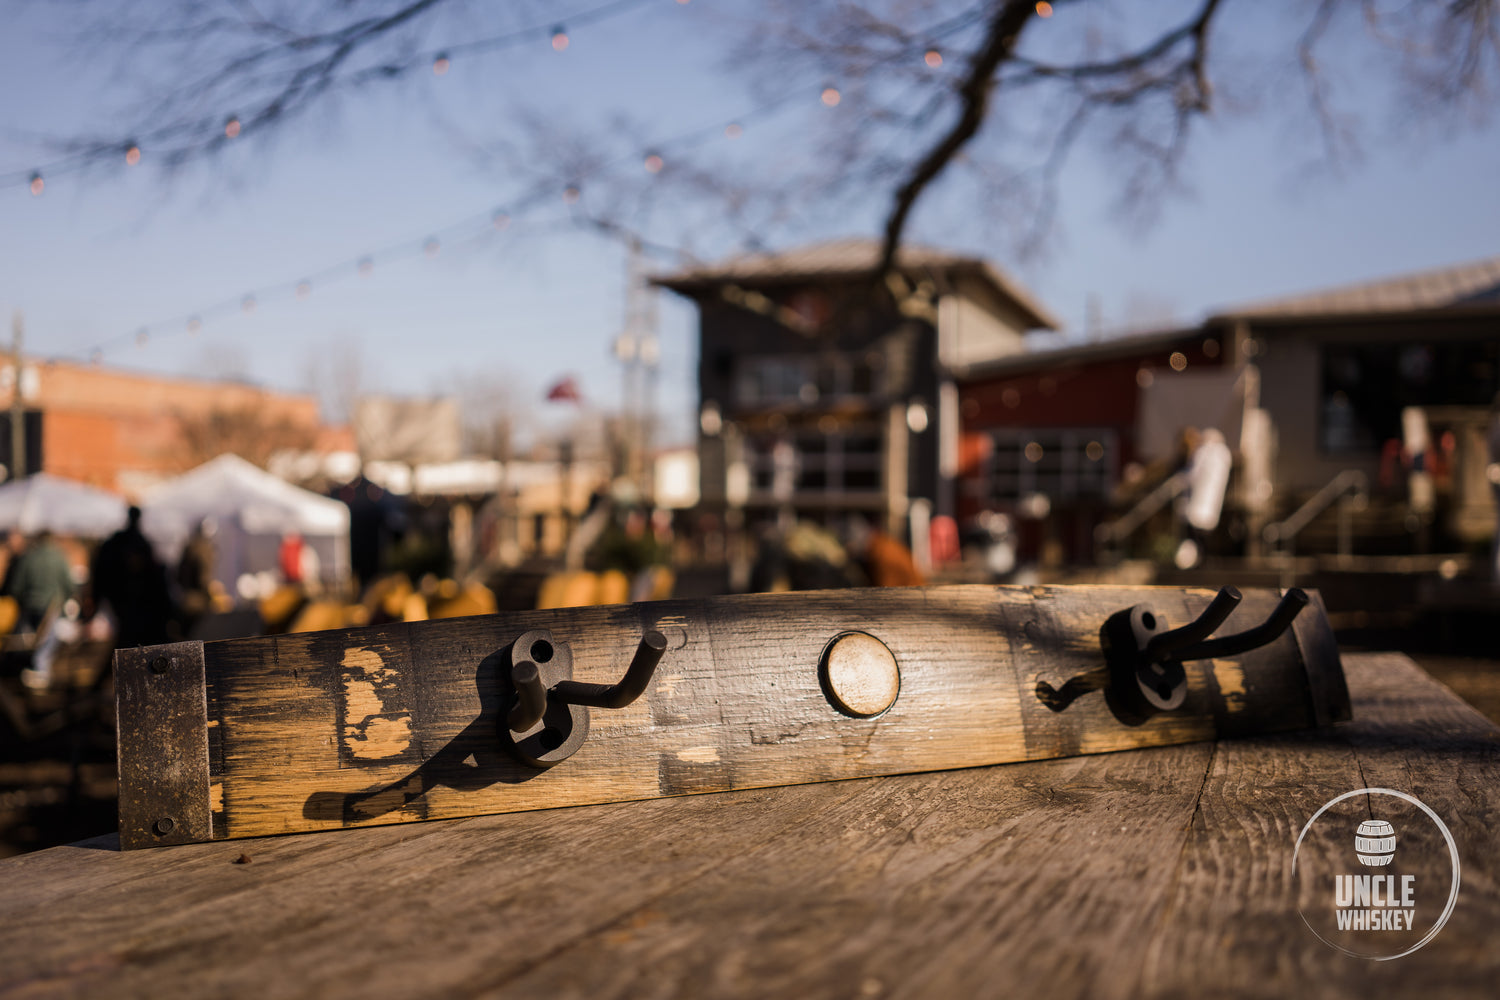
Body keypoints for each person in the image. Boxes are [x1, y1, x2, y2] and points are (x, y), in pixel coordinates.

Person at [91, 506, 172, 647]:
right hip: (128, 601)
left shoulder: (126, 542)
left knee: (131, 639)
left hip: (132, 602)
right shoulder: (132, 543)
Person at [4, 530, 74, 632]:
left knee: (27, 643)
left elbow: (15, 587)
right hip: (52, 610)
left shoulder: (27, 557)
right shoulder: (60, 558)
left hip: (29, 609)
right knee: (46, 644)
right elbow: (69, 586)